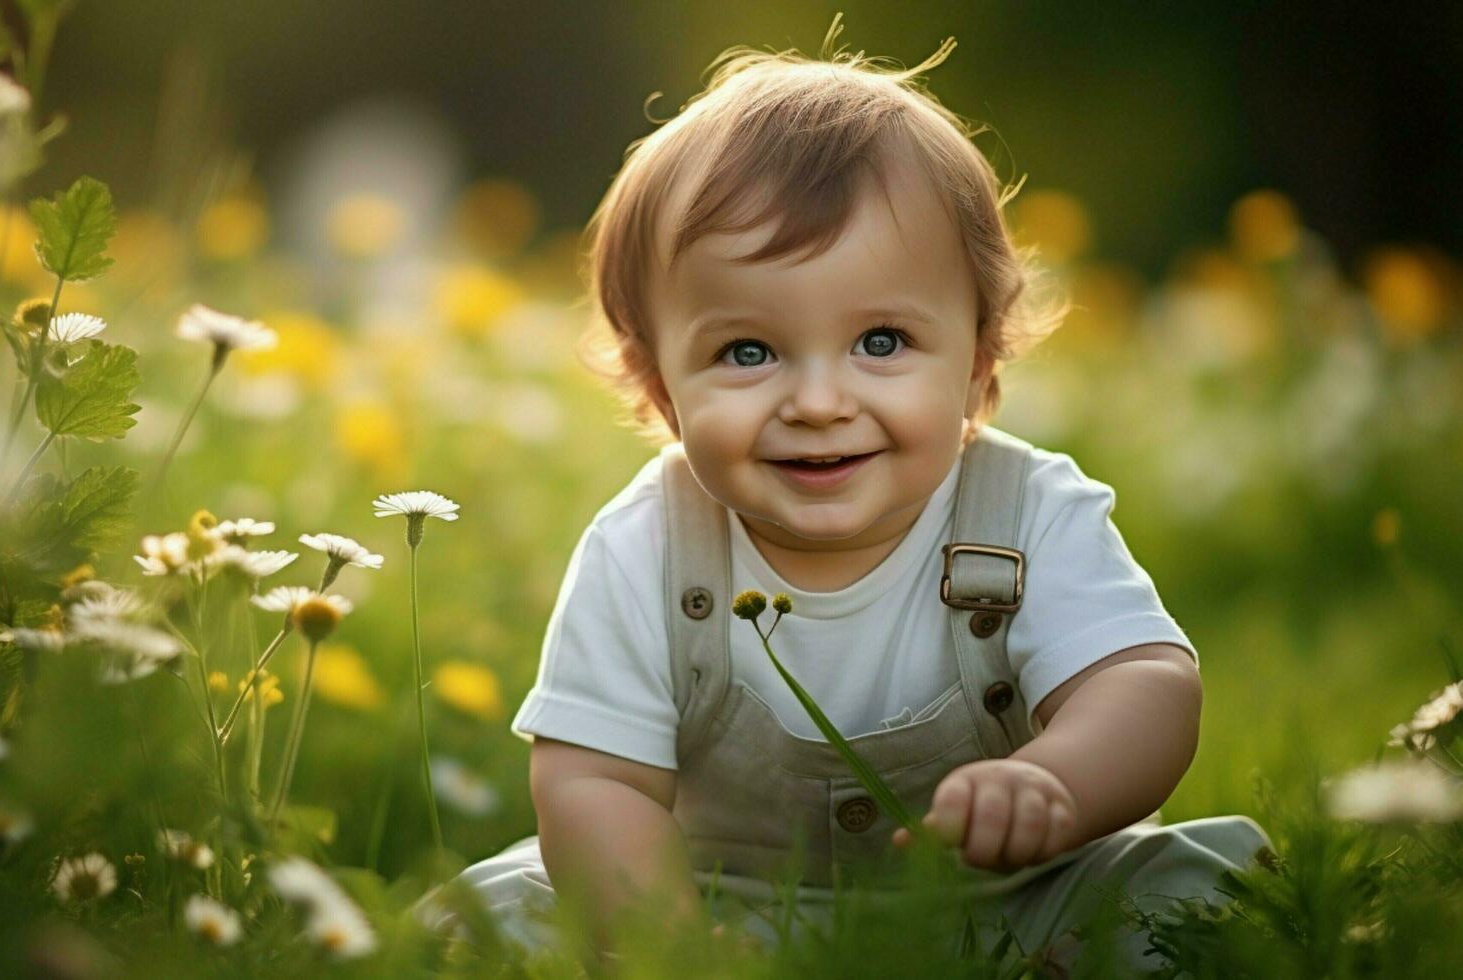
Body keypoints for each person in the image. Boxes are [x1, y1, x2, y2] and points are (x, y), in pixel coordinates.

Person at [422, 26, 1271, 974]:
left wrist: (1050, 785)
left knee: (1204, 884)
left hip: (1012, 904)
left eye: (880, 342)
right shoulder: (644, 547)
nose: (819, 404)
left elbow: (1146, 687)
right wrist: (671, 949)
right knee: (495, 908)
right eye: (747, 352)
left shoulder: (1028, 512)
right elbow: (592, 781)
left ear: (980, 355)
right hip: (723, 911)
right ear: (660, 387)